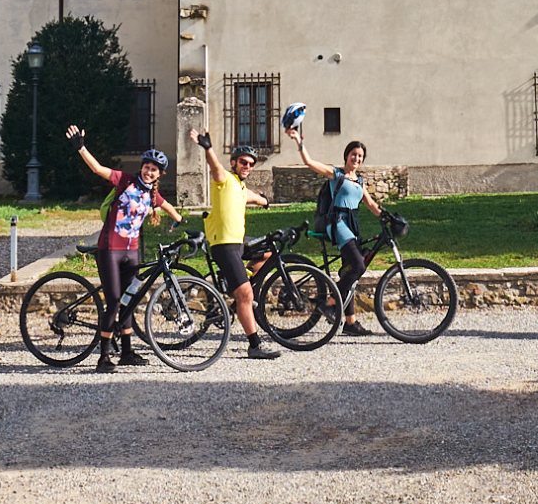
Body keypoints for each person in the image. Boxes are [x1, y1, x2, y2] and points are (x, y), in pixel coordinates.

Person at [65, 125, 183, 372]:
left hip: (132, 253)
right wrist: (81, 148)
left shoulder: (152, 195)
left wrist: (181, 222)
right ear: (142, 167)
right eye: (147, 167)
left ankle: (127, 352)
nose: (149, 172)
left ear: (159, 174)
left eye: (155, 170)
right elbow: (98, 169)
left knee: (129, 300)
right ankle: (103, 356)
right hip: (110, 250)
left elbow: (167, 205)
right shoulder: (125, 180)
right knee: (115, 300)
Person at [286, 124, 384, 335]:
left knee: (350, 273)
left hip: (353, 226)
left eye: (360, 156)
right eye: (353, 154)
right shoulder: (336, 174)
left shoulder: (359, 181)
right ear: (346, 156)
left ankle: (350, 322)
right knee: (358, 265)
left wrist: (387, 217)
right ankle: (330, 303)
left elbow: (371, 205)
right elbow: (310, 163)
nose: (356, 159)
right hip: (337, 223)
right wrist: (298, 142)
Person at [196, 130, 281, 360]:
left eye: (251, 164)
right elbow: (214, 167)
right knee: (245, 293)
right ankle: (254, 345)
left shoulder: (241, 188)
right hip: (224, 244)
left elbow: (252, 196)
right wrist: (208, 148)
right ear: (234, 162)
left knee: (268, 255)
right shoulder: (224, 179)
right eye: (243, 162)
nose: (247, 166)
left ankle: (237, 301)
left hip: (238, 244)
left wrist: (265, 201)